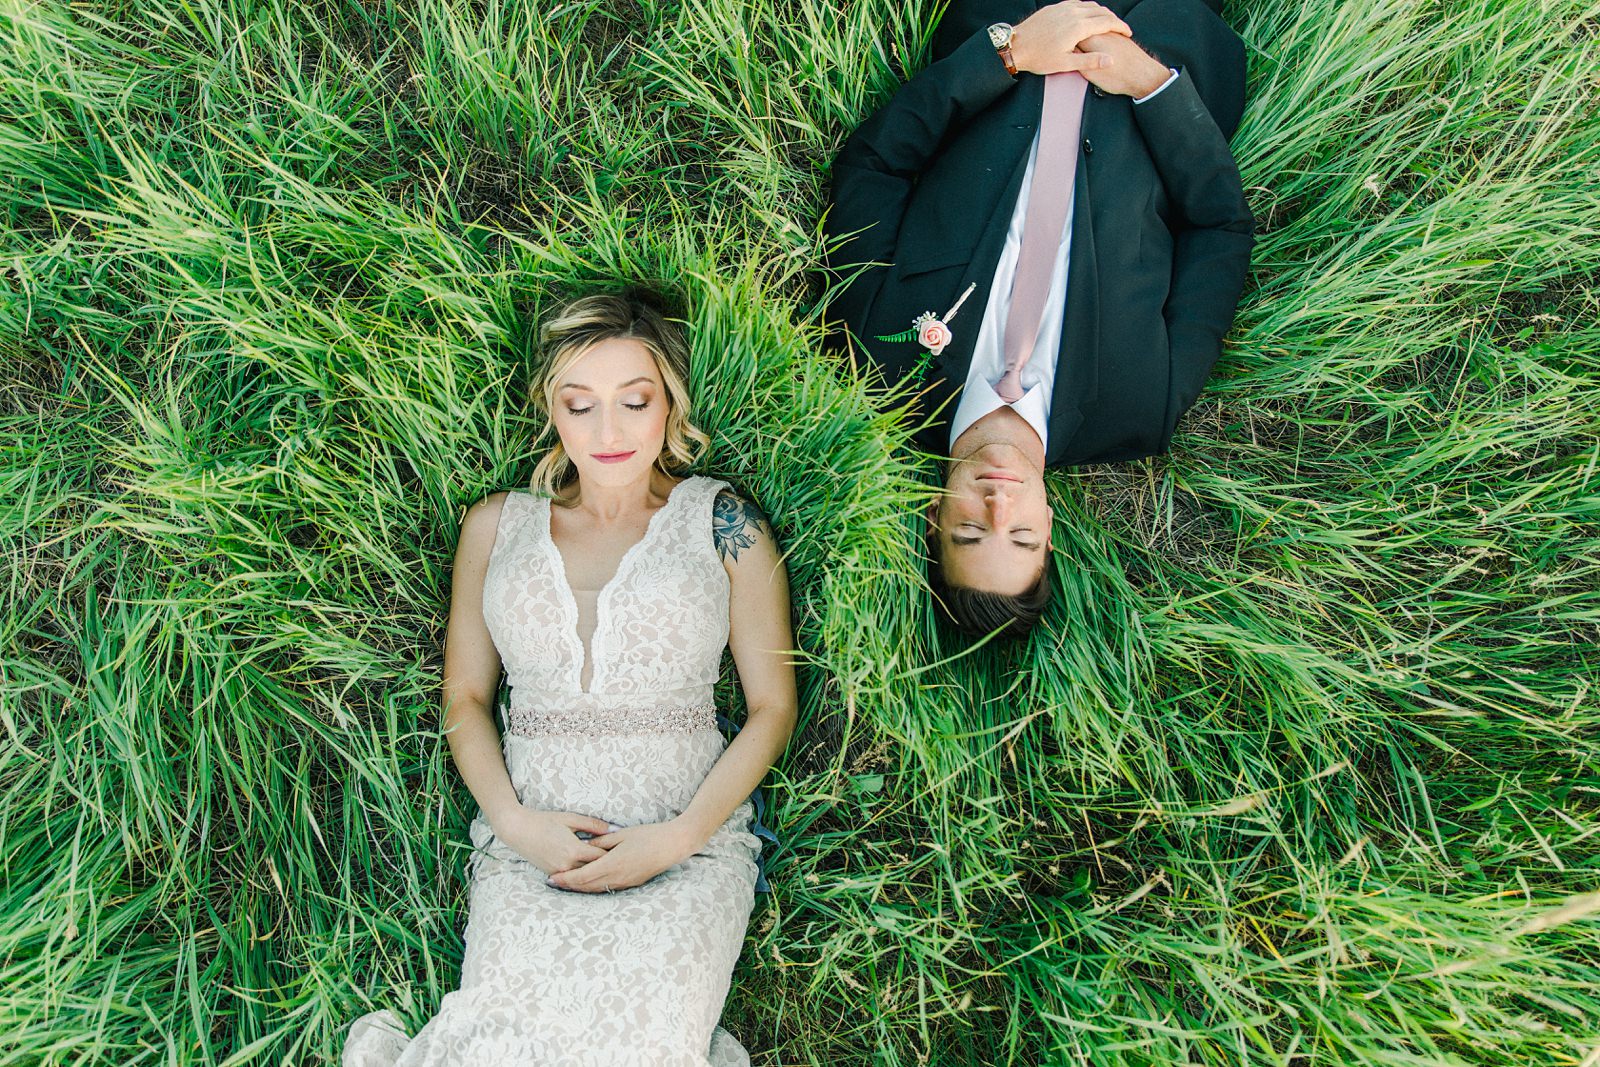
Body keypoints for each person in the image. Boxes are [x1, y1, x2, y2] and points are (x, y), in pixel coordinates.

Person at [343, 290, 797, 1065]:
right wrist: (516, 824)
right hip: (535, 851)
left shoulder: (725, 523)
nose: (609, 431)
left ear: (669, 403)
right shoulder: (496, 525)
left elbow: (772, 706)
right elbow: (466, 696)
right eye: (580, 404)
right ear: (550, 408)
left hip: (683, 848)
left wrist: (680, 837)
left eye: (634, 400)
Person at [823, 0, 1253, 637]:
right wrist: (1148, 83)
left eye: (971, 530)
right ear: (1050, 531)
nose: (999, 504)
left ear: (934, 518)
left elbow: (875, 166)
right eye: (1021, 535)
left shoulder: (872, 359)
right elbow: (1219, 226)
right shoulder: (1139, 405)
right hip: (1167, 33)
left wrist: (1010, 53)